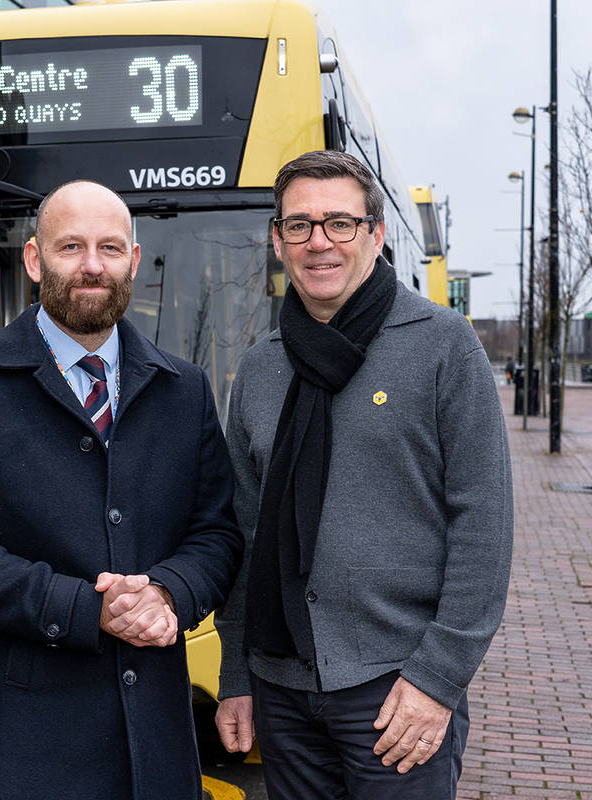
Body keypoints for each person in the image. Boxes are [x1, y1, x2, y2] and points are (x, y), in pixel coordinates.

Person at [0, 179, 243, 800]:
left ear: (134, 262)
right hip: (23, 754)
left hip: (157, 755)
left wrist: (170, 595)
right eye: (71, 247)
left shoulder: (186, 390)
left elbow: (217, 532)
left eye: (110, 248)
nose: (93, 265)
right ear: (35, 260)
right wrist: (89, 611)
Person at [213, 150, 513, 799]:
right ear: (277, 239)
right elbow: (244, 535)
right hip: (282, 692)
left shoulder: (444, 345)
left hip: (396, 689)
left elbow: (483, 530)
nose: (318, 242)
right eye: (299, 225)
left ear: (374, 235)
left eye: (339, 223)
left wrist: (437, 680)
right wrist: (236, 674)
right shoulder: (261, 368)